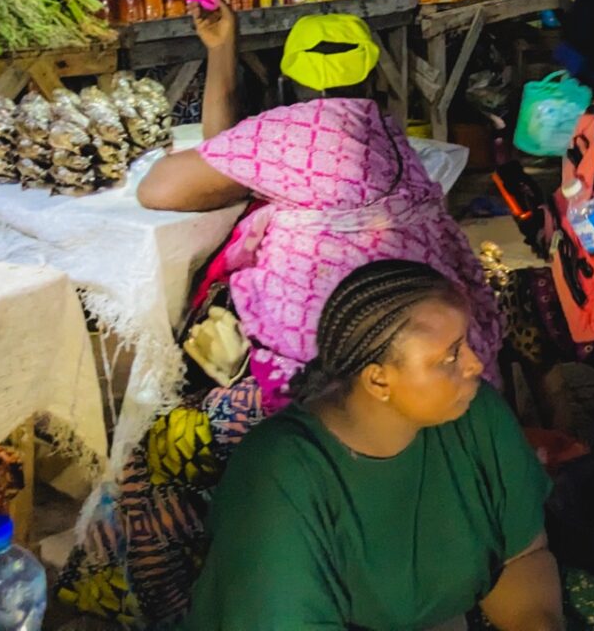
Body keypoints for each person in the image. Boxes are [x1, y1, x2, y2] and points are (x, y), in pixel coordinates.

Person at [60, 11, 500, 626]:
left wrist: (225, 56)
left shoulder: (297, 135)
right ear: (372, 73)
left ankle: (184, 611)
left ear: (290, 80)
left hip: (327, 392)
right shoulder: (386, 137)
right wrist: (222, 53)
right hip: (430, 375)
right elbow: (228, 154)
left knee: (148, 464)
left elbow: (161, 188)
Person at [185, 261, 561, 631]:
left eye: (464, 345)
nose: (474, 365)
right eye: (450, 356)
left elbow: (522, 556)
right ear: (378, 381)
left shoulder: (473, 415)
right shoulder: (281, 474)